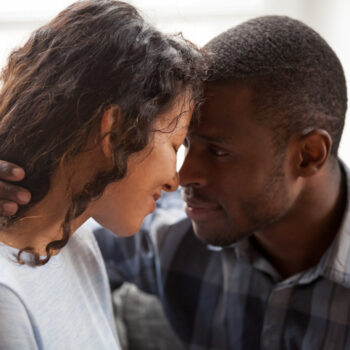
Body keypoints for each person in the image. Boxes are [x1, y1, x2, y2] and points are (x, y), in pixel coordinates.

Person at [1, 15, 348, 350]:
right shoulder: (168, 233)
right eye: (182, 144)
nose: (182, 177)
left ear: (308, 155)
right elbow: (58, 219)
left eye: (218, 150)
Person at [0, 0, 201, 349]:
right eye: (175, 145)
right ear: (116, 133)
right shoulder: (7, 300)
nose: (175, 180)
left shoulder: (76, 241)